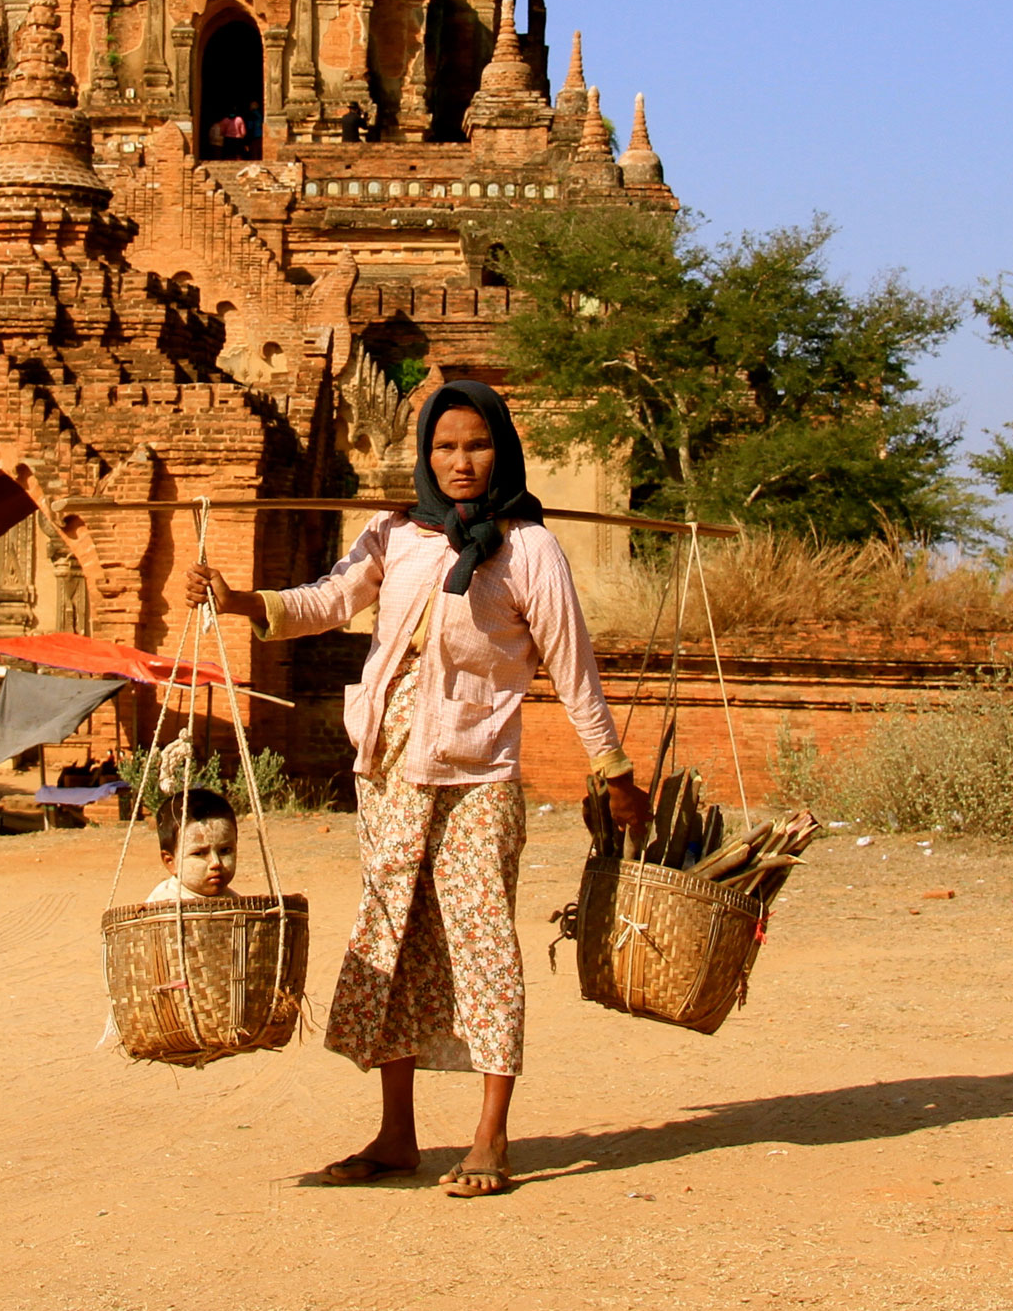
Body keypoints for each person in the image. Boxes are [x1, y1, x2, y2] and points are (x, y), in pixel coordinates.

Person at [189, 380, 649, 1199]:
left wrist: (614, 771)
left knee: (479, 940)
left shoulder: (529, 551)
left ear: (501, 450)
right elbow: (327, 601)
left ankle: (489, 1135)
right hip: (388, 769)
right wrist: (237, 602)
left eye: (476, 446)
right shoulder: (394, 533)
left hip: (478, 774)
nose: (461, 462)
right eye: (445, 448)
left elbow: (575, 670)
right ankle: (395, 1135)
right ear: (424, 457)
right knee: (392, 937)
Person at [147, 787, 241, 901]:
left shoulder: (235, 901)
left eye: (225, 851)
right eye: (199, 853)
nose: (216, 863)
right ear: (170, 861)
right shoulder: (164, 903)